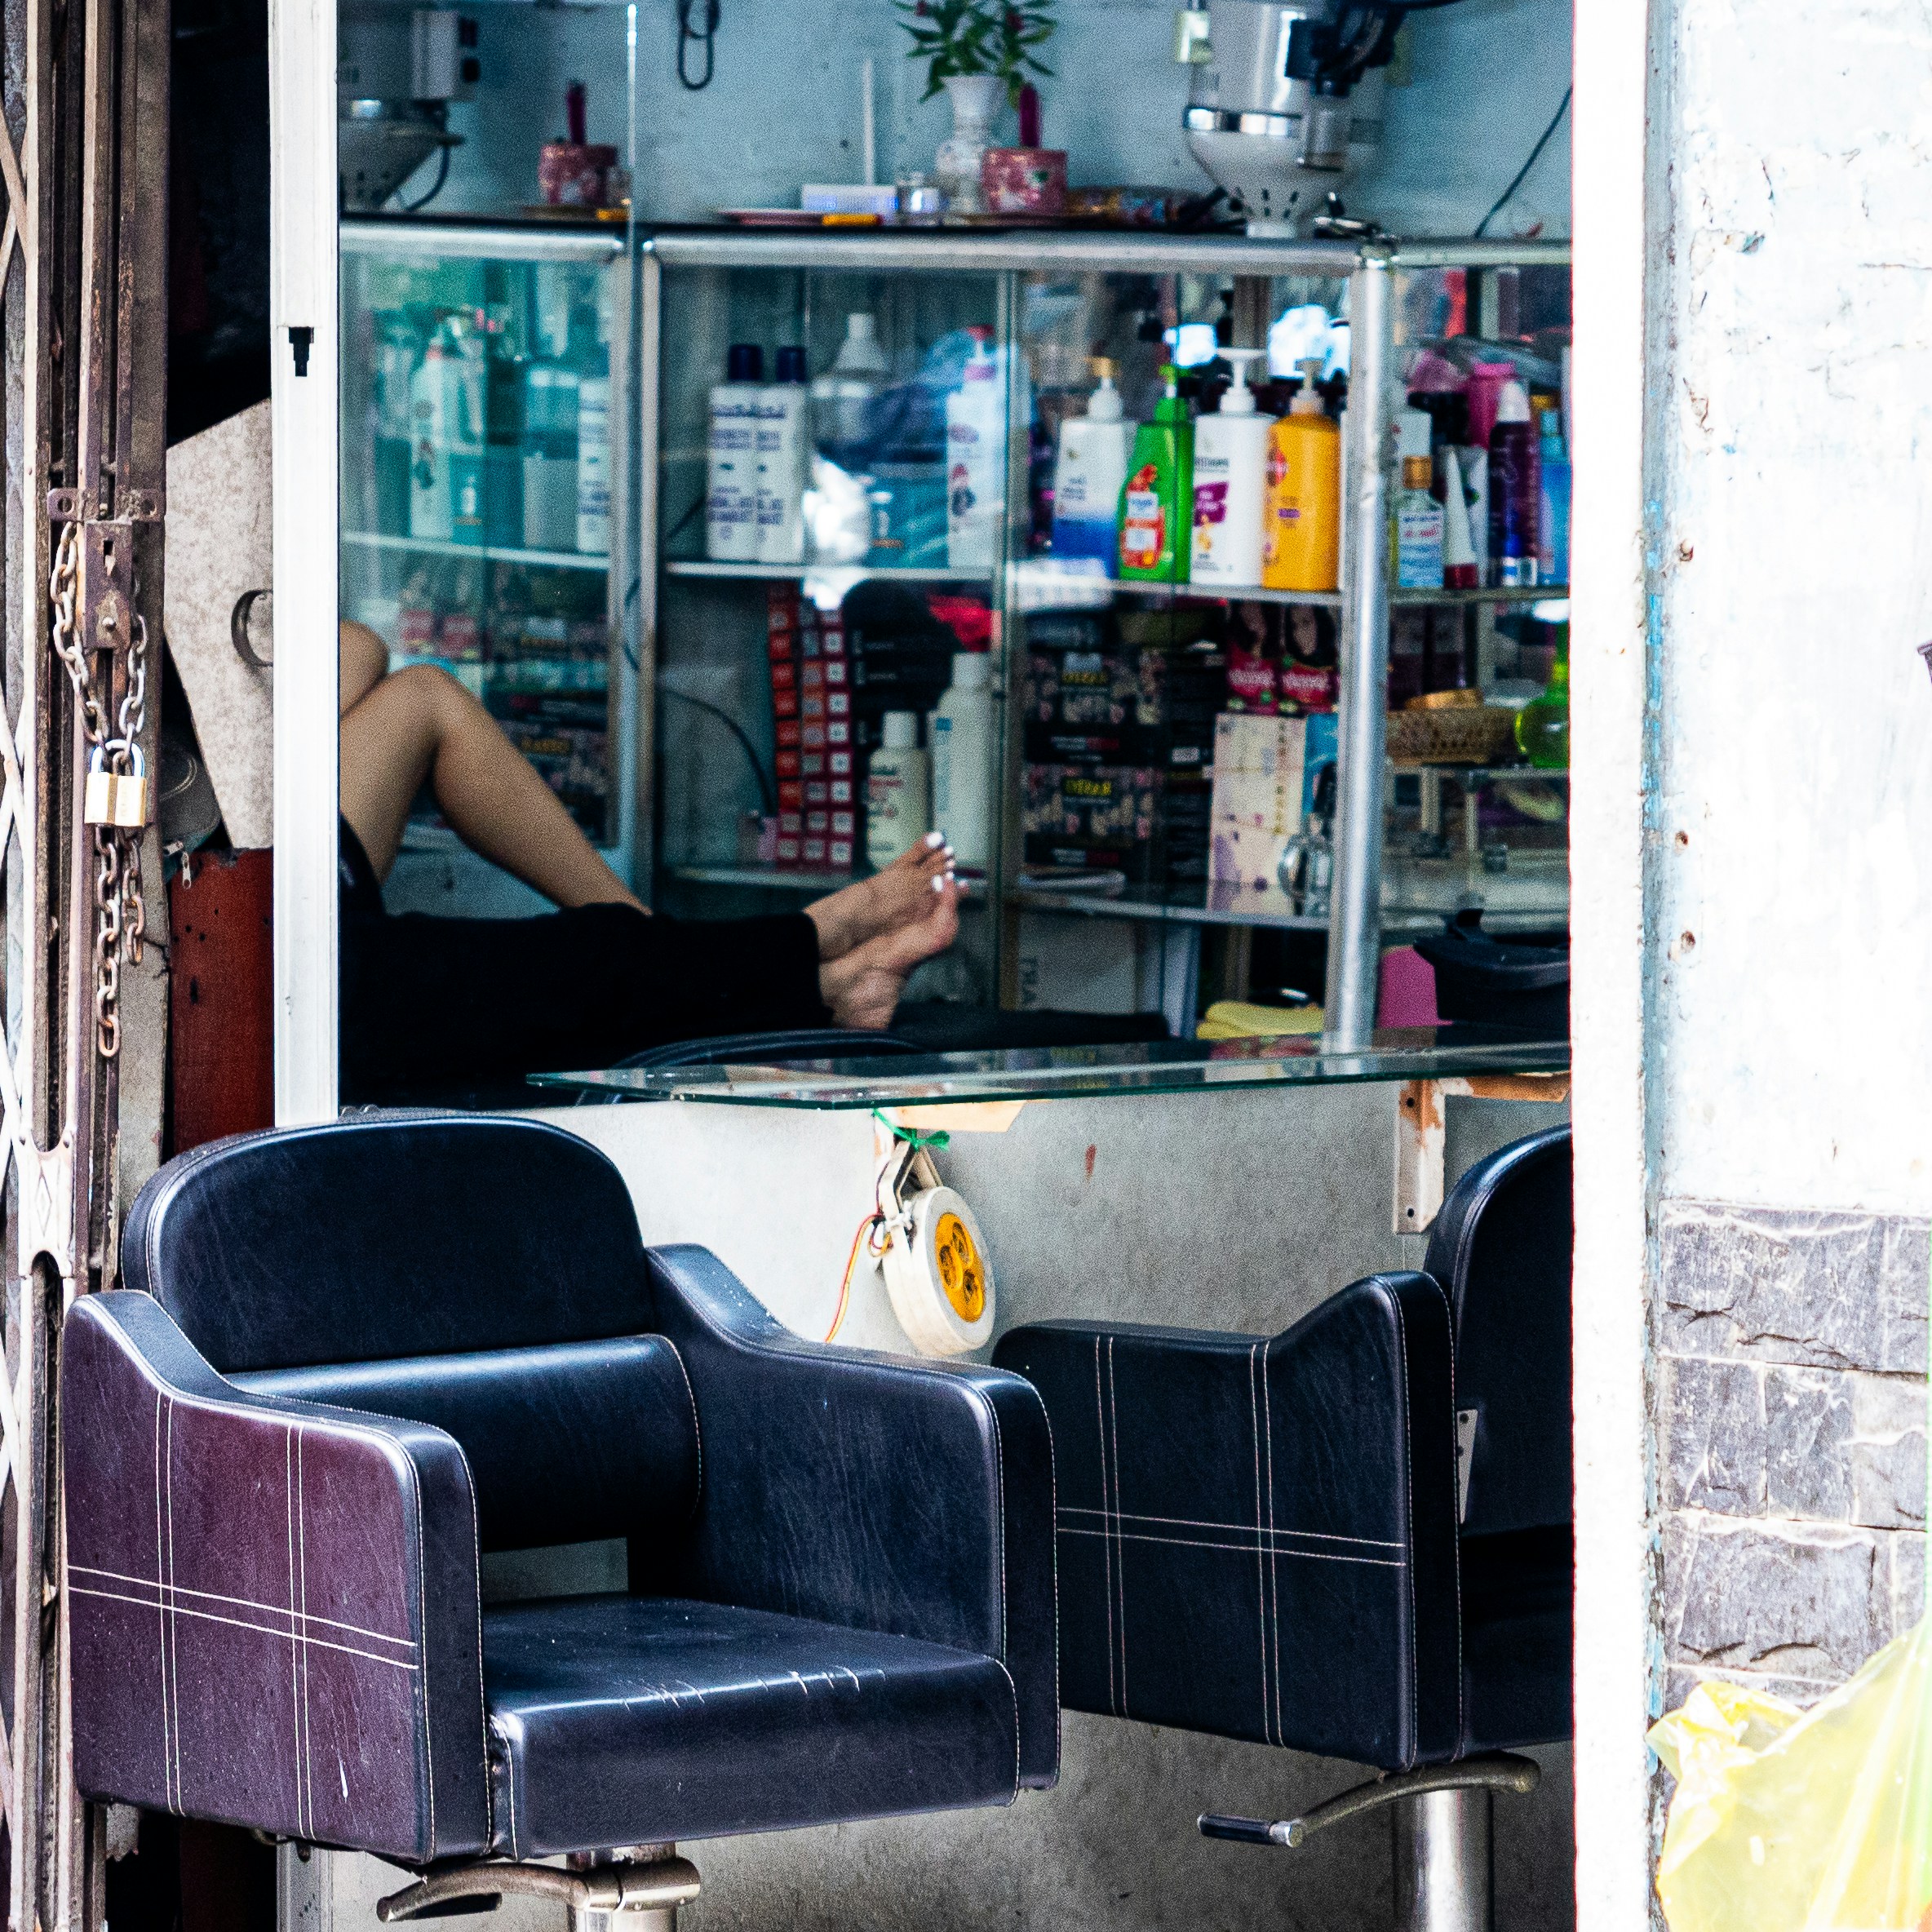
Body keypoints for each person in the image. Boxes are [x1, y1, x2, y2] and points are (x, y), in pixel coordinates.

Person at [335, 623, 959, 1101]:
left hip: (307, 914)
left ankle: (660, 956)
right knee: (584, 965)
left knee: (425, 697)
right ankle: (815, 953)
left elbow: (357, 649)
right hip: (305, 991)